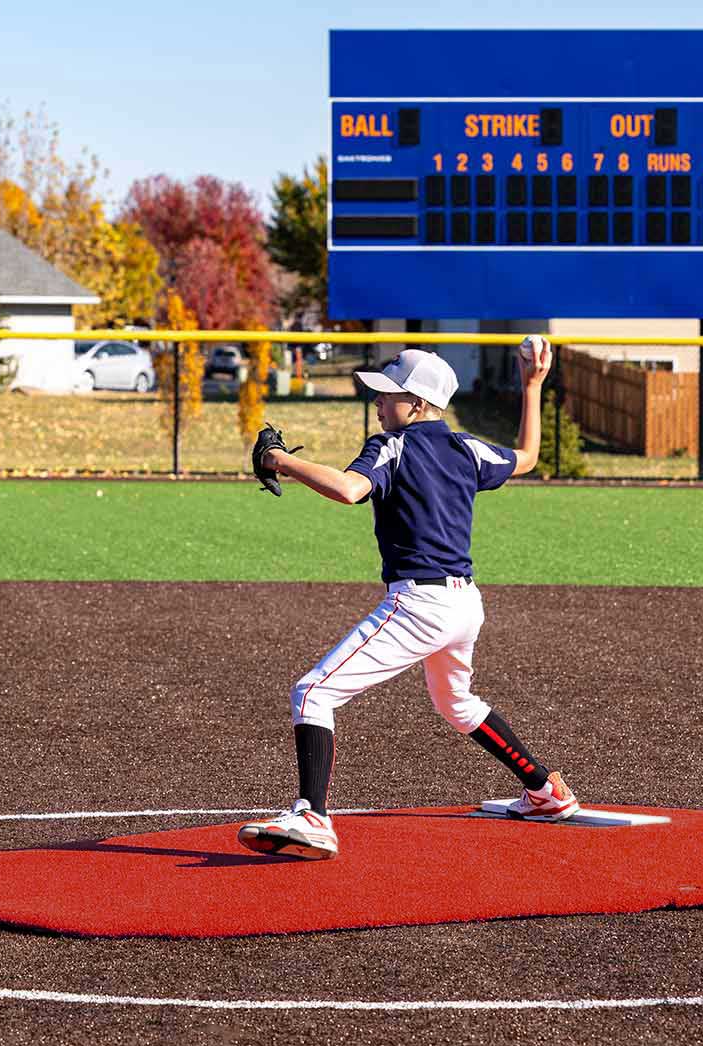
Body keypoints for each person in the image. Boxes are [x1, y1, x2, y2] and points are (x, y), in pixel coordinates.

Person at [237, 339, 580, 861]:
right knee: (456, 703)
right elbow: (528, 457)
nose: (378, 402)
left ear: (418, 403)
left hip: (420, 603)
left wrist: (279, 459)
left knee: (313, 694)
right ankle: (546, 791)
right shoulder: (467, 448)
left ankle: (312, 816)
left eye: (388, 394)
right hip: (465, 605)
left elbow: (351, 490)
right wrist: (532, 387)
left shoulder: (391, 446)